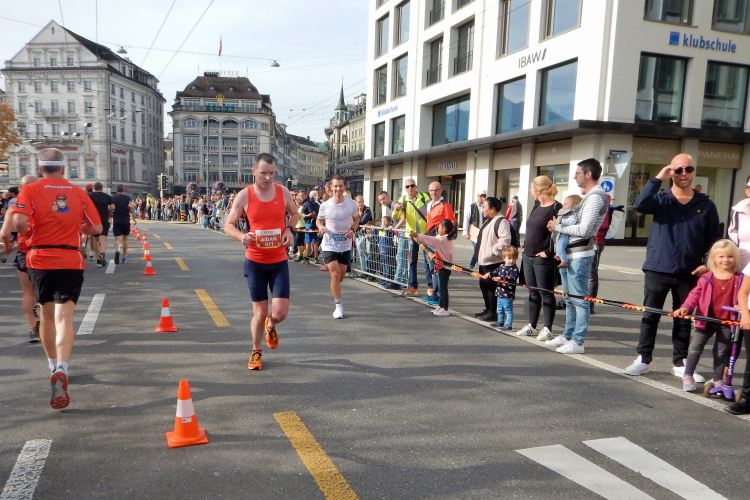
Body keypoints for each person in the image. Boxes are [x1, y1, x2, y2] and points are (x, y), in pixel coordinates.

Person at [13, 148, 102, 409]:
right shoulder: (78, 192)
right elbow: (96, 228)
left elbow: (19, 222)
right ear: (64, 168)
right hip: (70, 259)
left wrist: (29, 232)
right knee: (65, 318)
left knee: (47, 316)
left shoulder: (30, 190)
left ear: (40, 168)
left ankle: (53, 367)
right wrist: (75, 227)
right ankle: (63, 367)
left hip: (39, 258)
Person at [624, 154, 721, 378]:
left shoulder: (705, 204)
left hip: (690, 271)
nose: (683, 174)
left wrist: (707, 264)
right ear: (671, 172)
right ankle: (643, 358)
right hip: (658, 268)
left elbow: (713, 238)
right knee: (651, 315)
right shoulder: (661, 199)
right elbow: (639, 205)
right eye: (678, 170)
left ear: (694, 171)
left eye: (688, 169)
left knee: (683, 318)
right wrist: (658, 178)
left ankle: (680, 362)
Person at [223, 153, 299, 370]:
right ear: (254, 171)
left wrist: (289, 229)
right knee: (259, 312)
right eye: (264, 173)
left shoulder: (282, 192)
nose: (268, 177)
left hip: (278, 260)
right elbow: (228, 224)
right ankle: (256, 351)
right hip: (255, 262)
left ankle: (271, 324)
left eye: (272, 173)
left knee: (280, 313)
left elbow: (294, 214)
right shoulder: (244, 195)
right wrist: (241, 236)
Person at [545, 159, 609, 354]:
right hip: (571, 253)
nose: (574, 177)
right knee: (569, 298)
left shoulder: (596, 197)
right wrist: (559, 222)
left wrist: (558, 227)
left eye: (577, 173)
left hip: (581, 254)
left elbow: (585, 229)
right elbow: (574, 219)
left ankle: (578, 341)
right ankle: (568, 335)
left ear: (588, 174)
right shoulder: (589, 197)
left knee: (579, 299)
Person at [673, 239, 743, 391]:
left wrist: (741, 306)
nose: (725, 260)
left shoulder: (739, 278)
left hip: (727, 322)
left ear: (736, 258)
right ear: (714, 258)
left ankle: (718, 379)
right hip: (705, 320)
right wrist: (685, 307)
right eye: (721, 256)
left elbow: (745, 296)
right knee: (695, 348)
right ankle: (688, 375)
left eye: (730, 256)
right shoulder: (706, 278)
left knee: (721, 352)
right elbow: (695, 295)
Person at [516, 176, 562, 340]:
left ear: (539, 189)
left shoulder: (556, 207)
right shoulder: (537, 206)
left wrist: (548, 252)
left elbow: (559, 233)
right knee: (532, 292)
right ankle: (532, 325)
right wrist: (524, 246)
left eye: (531, 188)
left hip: (543, 258)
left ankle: (547, 328)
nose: (530, 192)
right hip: (528, 255)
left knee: (546, 293)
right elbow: (531, 229)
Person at [0, 175, 40, 342]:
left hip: (25, 252)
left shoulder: (14, 207)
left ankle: (33, 329)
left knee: (28, 292)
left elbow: (4, 233)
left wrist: (7, 247)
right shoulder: (46, 203)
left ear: (21, 188)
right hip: (46, 251)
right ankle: (48, 325)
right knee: (48, 291)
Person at [317, 174, 359, 319]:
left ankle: (335, 286)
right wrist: (321, 227)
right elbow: (319, 220)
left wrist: (352, 230)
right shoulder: (325, 205)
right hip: (329, 244)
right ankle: (338, 306)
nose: (338, 189)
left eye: (341, 186)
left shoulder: (351, 204)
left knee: (340, 276)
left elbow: (356, 220)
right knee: (334, 274)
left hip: (345, 244)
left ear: (344, 187)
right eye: (335, 186)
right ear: (331, 187)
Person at [474, 197, 512, 322]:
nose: (482, 210)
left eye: (484, 207)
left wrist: (492, 251)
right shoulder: (489, 220)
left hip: (493, 261)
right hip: (484, 260)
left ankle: (492, 312)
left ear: (492, 209)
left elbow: (505, 240)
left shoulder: (501, 221)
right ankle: (488, 309)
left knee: (491, 287)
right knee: (483, 285)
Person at [411, 218, 457, 316]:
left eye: (439, 227)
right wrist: (435, 255)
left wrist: (417, 236)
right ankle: (441, 305)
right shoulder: (446, 239)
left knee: (443, 289)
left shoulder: (441, 239)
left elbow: (429, 239)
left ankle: (445, 308)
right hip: (443, 266)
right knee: (441, 288)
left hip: (444, 267)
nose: (438, 229)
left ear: (444, 229)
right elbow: (443, 251)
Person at [393, 179, 431, 295]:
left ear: (416, 187)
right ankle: (413, 287)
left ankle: (431, 287)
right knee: (412, 262)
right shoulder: (403, 199)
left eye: (412, 185)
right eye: (407, 186)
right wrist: (396, 208)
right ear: (405, 188)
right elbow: (396, 216)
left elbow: (431, 211)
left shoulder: (424, 197)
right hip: (411, 235)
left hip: (424, 233)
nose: (410, 188)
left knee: (428, 261)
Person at [421, 182, 456, 303]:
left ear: (441, 190)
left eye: (436, 190)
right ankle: (434, 294)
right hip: (429, 239)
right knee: (431, 269)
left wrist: (444, 239)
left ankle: (438, 296)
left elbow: (452, 223)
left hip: (438, 241)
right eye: (431, 190)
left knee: (437, 270)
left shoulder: (445, 205)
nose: (433, 193)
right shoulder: (430, 204)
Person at [487, 246, 520, 331]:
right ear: (504, 258)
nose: (511, 260)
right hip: (499, 292)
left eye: (514, 258)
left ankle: (508, 325)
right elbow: (495, 272)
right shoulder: (502, 266)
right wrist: (490, 274)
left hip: (508, 294)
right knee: (500, 309)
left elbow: (511, 278)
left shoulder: (514, 269)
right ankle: (500, 321)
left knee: (508, 310)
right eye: (509, 258)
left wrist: (500, 278)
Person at [88, 182, 113, 267]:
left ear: (94, 188)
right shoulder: (107, 196)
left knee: (95, 239)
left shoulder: (90, 196)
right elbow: (113, 207)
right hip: (104, 219)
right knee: (103, 238)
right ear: (102, 188)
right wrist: (109, 212)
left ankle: (98, 259)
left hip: (94, 219)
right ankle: (103, 253)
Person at [553, 194, 582, 268]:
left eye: (566, 204)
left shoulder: (573, 213)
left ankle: (564, 261)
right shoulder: (564, 212)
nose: (563, 205)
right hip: (560, 231)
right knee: (556, 244)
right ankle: (558, 255)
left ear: (574, 206)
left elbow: (572, 221)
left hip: (565, 233)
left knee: (560, 246)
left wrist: (561, 221)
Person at [728, 173, 750, 268]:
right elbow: (733, 240)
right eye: (749, 186)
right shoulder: (738, 211)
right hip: (743, 267)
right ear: (746, 190)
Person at [463, 190, 487, 271]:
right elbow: (466, 219)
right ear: (478, 196)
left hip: (483, 232)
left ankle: (472, 264)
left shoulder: (485, 207)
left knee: (478, 249)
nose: (482, 198)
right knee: (478, 248)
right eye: (481, 196)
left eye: (484, 196)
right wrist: (465, 232)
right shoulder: (472, 207)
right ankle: (480, 268)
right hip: (473, 232)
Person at [111, 185, 134, 265]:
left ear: (116, 190)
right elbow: (132, 206)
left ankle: (117, 251)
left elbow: (111, 208)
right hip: (125, 220)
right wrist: (133, 216)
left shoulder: (113, 198)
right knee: (125, 239)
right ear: (124, 190)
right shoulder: (127, 197)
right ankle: (124, 257)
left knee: (117, 239)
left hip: (116, 220)